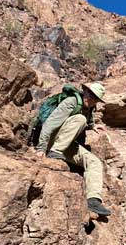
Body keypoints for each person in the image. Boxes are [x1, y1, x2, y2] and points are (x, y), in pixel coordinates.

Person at [34, 82, 111, 216]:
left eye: (96, 98)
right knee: (80, 119)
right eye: (91, 95)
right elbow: (50, 124)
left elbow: (84, 121)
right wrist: (41, 148)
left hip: (65, 143)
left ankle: (93, 200)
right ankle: (55, 152)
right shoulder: (71, 101)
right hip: (52, 142)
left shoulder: (88, 108)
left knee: (94, 162)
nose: (92, 99)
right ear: (85, 91)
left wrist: (92, 126)